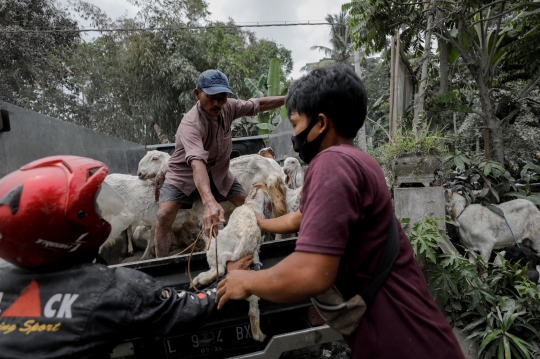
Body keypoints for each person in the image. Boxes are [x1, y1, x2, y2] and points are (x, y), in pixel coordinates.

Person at [215, 65, 465, 359]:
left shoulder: (330, 164)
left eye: (295, 123)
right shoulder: (357, 160)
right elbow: (301, 218)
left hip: (405, 342)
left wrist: (246, 281)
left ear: (320, 123)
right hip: (417, 337)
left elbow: (312, 272)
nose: (294, 135)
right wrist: (261, 223)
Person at [0, 156, 252, 359]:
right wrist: (229, 279)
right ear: (66, 229)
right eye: (92, 209)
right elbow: (188, 308)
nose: (100, 214)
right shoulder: (113, 288)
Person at [155, 69, 285, 257]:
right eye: (211, 96)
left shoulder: (229, 107)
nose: (217, 102)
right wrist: (209, 203)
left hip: (220, 174)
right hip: (184, 175)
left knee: (250, 206)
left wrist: (289, 98)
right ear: (197, 94)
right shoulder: (191, 124)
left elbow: (258, 104)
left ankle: (255, 253)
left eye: (221, 96)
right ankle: (161, 264)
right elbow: (197, 164)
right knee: (164, 215)